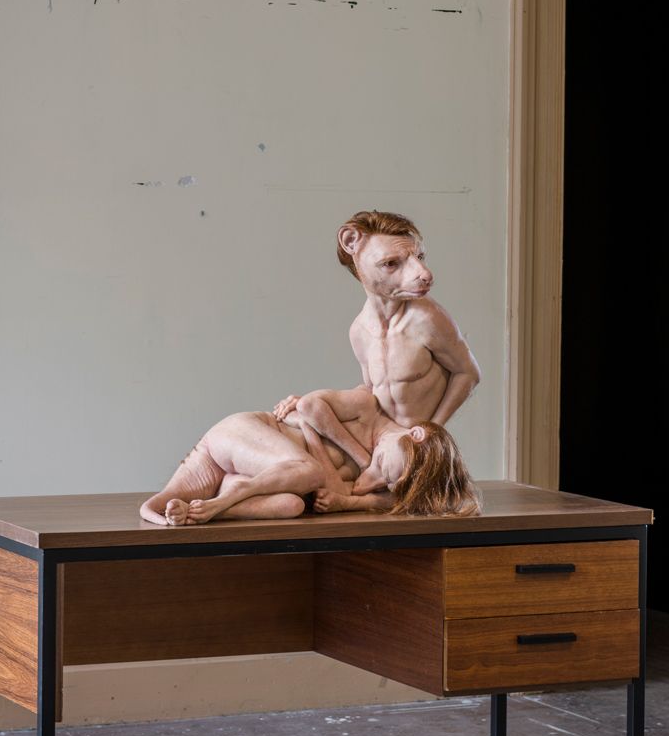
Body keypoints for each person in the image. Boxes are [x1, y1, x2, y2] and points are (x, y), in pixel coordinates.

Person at [273, 210, 480, 466]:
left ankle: (352, 487)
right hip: (378, 438)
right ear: (352, 246)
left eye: (419, 257)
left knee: (312, 472)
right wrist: (312, 400)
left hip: (412, 445)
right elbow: (374, 392)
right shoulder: (359, 330)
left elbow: (468, 373)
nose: (425, 273)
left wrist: (432, 430)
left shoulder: (428, 319)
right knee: (297, 426)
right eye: (392, 263)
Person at [139, 384, 480, 526]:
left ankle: (216, 504)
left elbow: (370, 498)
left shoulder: (393, 478)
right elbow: (309, 406)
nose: (370, 480)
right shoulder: (365, 407)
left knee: (292, 506)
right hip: (240, 435)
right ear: (415, 435)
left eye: (383, 479)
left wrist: (312, 435)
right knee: (310, 472)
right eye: (378, 465)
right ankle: (226, 497)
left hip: (253, 471)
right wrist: (361, 458)